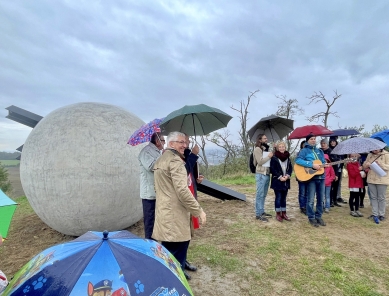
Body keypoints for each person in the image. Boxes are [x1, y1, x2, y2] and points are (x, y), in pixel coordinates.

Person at [152, 131, 206, 280]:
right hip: (175, 217)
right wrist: (198, 211)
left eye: (185, 142)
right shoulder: (175, 162)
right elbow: (182, 190)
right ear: (171, 144)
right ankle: (176, 285)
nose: (185, 145)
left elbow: (160, 188)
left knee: (168, 254)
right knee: (176, 258)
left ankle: (166, 281)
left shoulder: (161, 160)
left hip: (165, 214)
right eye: (181, 142)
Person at [183, 134, 205, 277]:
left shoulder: (186, 153)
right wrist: (194, 154)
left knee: (189, 233)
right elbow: (184, 169)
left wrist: (197, 179)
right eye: (185, 140)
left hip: (191, 194)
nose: (188, 142)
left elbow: (188, 173)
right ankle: (178, 264)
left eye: (188, 140)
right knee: (182, 234)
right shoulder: (172, 156)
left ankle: (183, 260)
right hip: (182, 201)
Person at [295, 134, 328, 227]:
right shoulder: (304, 151)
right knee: (310, 199)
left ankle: (319, 216)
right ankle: (311, 217)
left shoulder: (320, 151)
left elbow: (322, 162)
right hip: (311, 178)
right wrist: (311, 165)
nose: (313, 140)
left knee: (321, 199)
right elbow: (298, 160)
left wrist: (325, 164)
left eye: (314, 139)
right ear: (307, 141)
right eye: (311, 139)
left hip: (321, 177)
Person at [138, 132, 165, 240]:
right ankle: (149, 247)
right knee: (150, 222)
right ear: (158, 141)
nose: (165, 143)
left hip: (157, 192)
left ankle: (155, 245)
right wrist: (164, 157)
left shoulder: (157, 152)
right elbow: (151, 166)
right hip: (149, 194)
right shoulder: (146, 151)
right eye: (163, 140)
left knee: (157, 222)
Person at [363, 148, 389, 224]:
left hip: (382, 179)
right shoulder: (369, 155)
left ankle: (381, 214)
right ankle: (375, 214)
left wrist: (380, 164)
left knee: (381, 197)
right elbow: (364, 166)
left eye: (376, 148)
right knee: (373, 197)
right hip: (371, 179)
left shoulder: (386, 155)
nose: (375, 150)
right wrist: (366, 165)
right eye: (373, 148)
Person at [269, 141, 292, 222]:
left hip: (286, 181)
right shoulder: (274, 157)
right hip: (277, 181)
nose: (282, 148)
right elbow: (272, 169)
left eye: (283, 147)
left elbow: (290, 168)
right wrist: (280, 177)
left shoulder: (288, 157)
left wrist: (287, 176)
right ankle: (278, 214)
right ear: (277, 148)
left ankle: (284, 213)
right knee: (278, 198)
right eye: (280, 147)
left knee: (284, 198)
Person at [253, 134, 274, 222]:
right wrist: (269, 156)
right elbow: (260, 161)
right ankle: (258, 214)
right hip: (261, 174)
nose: (267, 139)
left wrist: (274, 149)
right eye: (265, 138)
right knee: (260, 194)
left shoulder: (265, 149)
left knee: (264, 194)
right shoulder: (257, 149)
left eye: (266, 138)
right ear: (260, 140)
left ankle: (262, 211)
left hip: (267, 173)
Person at [329, 137, 347, 204]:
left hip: (339, 169)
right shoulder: (330, 150)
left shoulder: (340, 150)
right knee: (332, 184)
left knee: (338, 184)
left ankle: (337, 197)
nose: (333, 143)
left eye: (334, 141)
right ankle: (331, 199)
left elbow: (343, 157)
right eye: (331, 142)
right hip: (332, 170)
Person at [346, 153, 364, 217]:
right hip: (353, 183)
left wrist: (362, 173)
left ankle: (357, 209)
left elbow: (360, 173)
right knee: (352, 196)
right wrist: (359, 170)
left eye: (355, 156)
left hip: (359, 182)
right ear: (350, 157)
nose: (354, 157)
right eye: (352, 156)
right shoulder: (349, 164)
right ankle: (352, 210)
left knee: (357, 197)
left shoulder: (358, 164)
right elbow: (352, 174)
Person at [297, 141, 308, 214]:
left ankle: (306, 206)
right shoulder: (299, 154)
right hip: (301, 175)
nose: (304, 146)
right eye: (303, 145)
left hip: (308, 175)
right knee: (302, 192)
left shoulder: (309, 154)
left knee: (307, 192)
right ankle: (302, 206)